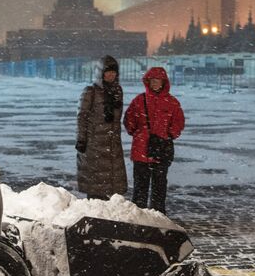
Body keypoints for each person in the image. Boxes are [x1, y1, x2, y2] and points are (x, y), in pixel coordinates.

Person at [123, 66, 184, 213]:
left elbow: (178, 122)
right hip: (142, 150)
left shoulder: (172, 102)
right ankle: (139, 215)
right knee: (140, 187)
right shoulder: (140, 100)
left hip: (160, 150)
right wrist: (138, 133)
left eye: (158, 81)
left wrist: (168, 135)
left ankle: (157, 215)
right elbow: (129, 119)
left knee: (159, 186)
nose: (155, 83)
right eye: (152, 81)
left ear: (164, 82)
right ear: (148, 82)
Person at [75, 55, 127, 199]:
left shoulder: (117, 91)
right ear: (100, 73)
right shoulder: (90, 91)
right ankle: (95, 212)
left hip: (112, 144)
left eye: (113, 72)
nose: (111, 75)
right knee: (95, 187)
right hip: (94, 146)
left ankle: (107, 214)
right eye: (107, 71)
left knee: (111, 185)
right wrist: (81, 139)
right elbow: (82, 117)